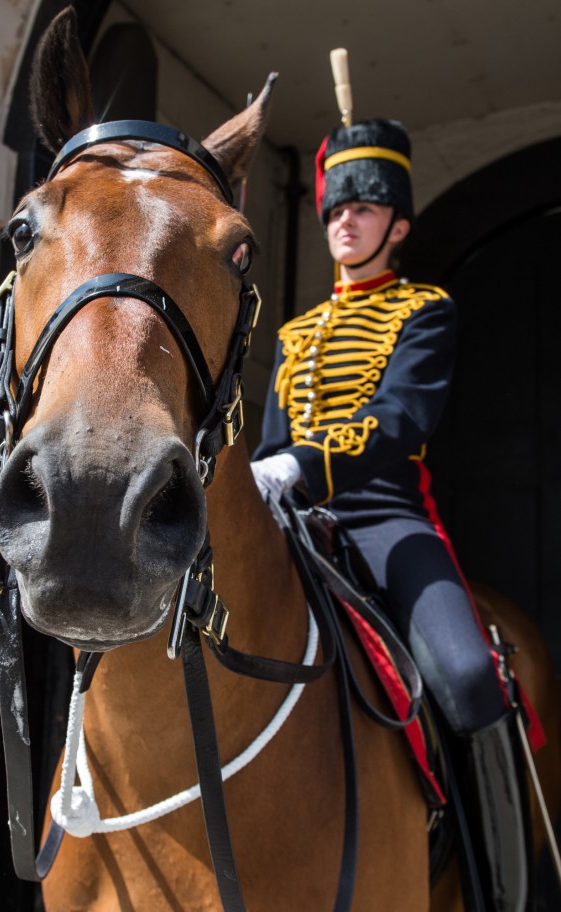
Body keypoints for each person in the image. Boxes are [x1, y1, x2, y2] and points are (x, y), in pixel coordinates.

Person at [251, 117, 529, 910]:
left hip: (384, 515)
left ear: (398, 225)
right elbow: (273, 444)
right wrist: (272, 479)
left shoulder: (424, 310)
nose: (345, 220)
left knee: (471, 680)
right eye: (337, 209)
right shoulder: (296, 333)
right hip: (300, 520)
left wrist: (299, 463)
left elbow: (400, 418)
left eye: (365, 209)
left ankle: (496, 880)